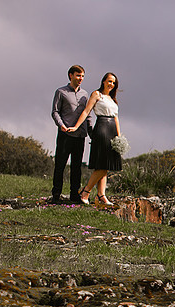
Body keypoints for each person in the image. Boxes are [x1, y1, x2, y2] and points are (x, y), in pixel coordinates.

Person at [66, 72, 123, 206]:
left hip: (112, 131)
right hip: (102, 129)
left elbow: (116, 118)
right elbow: (86, 111)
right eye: (109, 81)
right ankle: (85, 192)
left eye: (113, 82)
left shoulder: (112, 99)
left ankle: (101, 195)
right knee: (102, 165)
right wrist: (76, 127)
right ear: (103, 81)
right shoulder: (97, 94)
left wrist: (119, 138)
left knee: (106, 166)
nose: (111, 84)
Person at [50, 65, 91, 204]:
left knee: (76, 167)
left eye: (83, 76)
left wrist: (91, 132)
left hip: (80, 135)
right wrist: (61, 125)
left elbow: (87, 114)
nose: (81, 78)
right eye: (78, 75)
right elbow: (55, 112)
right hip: (65, 135)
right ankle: (56, 194)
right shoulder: (61, 92)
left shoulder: (85, 94)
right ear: (71, 75)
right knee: (60, 165)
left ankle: (74, 195)